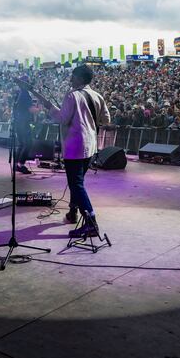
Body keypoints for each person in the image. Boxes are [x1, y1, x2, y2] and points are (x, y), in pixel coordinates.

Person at [43, 64, 110, 238]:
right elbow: (106, 119)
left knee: (76, 184)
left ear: (79, 78)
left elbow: (63, 119)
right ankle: (73, 213)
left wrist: (50, 109)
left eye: (72, 76)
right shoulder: (97, 96)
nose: (70, 79)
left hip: (74, 146)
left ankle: (91, 223)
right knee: (77, 182)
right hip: (90, 145)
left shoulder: (72, 96)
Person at [13, 76, 38, 174]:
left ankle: (17, 165)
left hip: (19, 122)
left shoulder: (20, 93)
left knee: (21, 144)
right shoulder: (25, 94)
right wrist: (39, 109)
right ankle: (21, 165)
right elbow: (31, 110)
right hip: (23, 123)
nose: (30, 83)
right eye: (28, 82)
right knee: (28, 143)